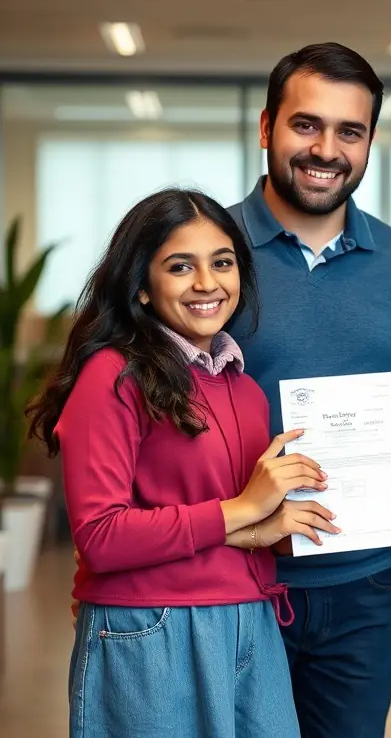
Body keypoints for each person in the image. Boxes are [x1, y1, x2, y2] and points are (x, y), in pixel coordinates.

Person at [28, 189, 341, 737]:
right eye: (180, 266)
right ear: (143, 287)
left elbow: (236, 524)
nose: (207, 283)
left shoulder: (245, 391)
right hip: (151, 627)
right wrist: (242, 510)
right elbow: (100, 535)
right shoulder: (114, 375)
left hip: (252, 622)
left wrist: (277, 527)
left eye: (222, 262)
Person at [223, 43, 391, 737]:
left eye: (350, 131)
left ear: (370, 141)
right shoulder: (209, 251)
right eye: (306, 125)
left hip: (364, 588)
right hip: (234, 580)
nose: (326, 149)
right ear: (266, 128)